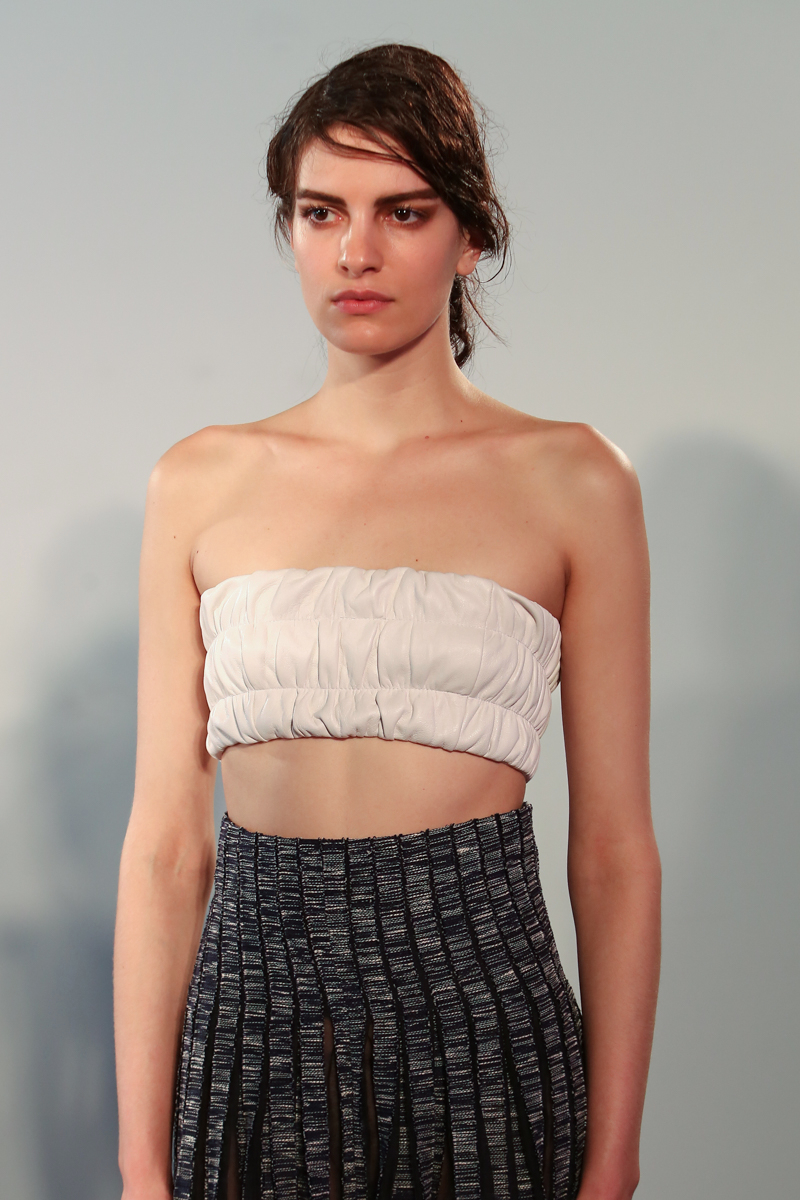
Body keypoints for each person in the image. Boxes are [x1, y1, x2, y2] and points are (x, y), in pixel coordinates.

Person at [113, 42, 660, 1200]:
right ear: (290, 229)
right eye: (321, 211)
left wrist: (612, 1162)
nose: (354, 251)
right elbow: (166, 846)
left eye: (401, 212)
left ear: (469, 237)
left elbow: (612, 850)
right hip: (252, 1033)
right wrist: (138, 1167)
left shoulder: (573, 482)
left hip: (487, 1031)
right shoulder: (198, 483)